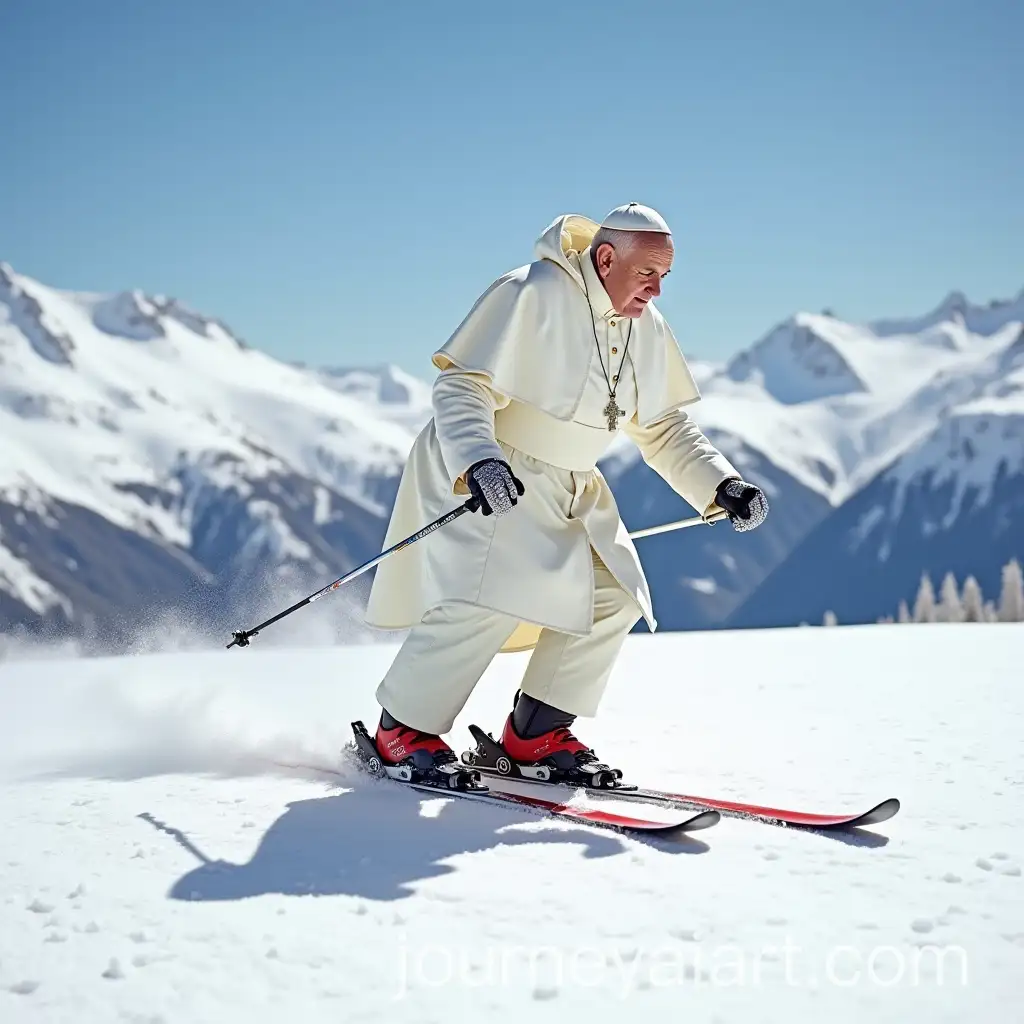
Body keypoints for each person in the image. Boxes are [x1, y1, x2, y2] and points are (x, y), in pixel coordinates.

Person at [362, 203, 768, 783]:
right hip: (497, 468)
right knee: (486, 596)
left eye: (664, 278)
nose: (655, 291)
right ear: (606, 258)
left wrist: (722, 483)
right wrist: (479, 460)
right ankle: (400, 731)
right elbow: (461, 386)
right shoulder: (529, 293)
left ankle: (534, 734)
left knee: (614, 596)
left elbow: (661, 426)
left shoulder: (645, 325)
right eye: (646, 274)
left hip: (574, 482)